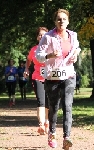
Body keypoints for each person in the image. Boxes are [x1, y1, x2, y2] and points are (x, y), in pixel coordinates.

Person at [36, 9, 81, 149]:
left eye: (64, 19)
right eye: (59, 19)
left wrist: (75, 54)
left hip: (68, 75)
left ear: (68, 21)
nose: (61, 21)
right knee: (54, 108)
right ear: (55, 21)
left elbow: (77, 47)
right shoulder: (48, 37)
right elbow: (38, 55)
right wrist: (49, 56)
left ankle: (67, 137)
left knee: (67, 106)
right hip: (52, 76)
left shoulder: (73, 35)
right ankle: (52, 133)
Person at [24, 27, 49, 135]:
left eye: (44, 34)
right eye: (40, 35)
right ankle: (41, 124)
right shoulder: (34, 49)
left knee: (48, 102)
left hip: (50, 78)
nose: (42, 36)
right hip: (37, 77)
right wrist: (26, 68)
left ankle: (47, 121)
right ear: (37, 37)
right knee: (41, 101)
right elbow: (29, 59)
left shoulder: (51, 49)